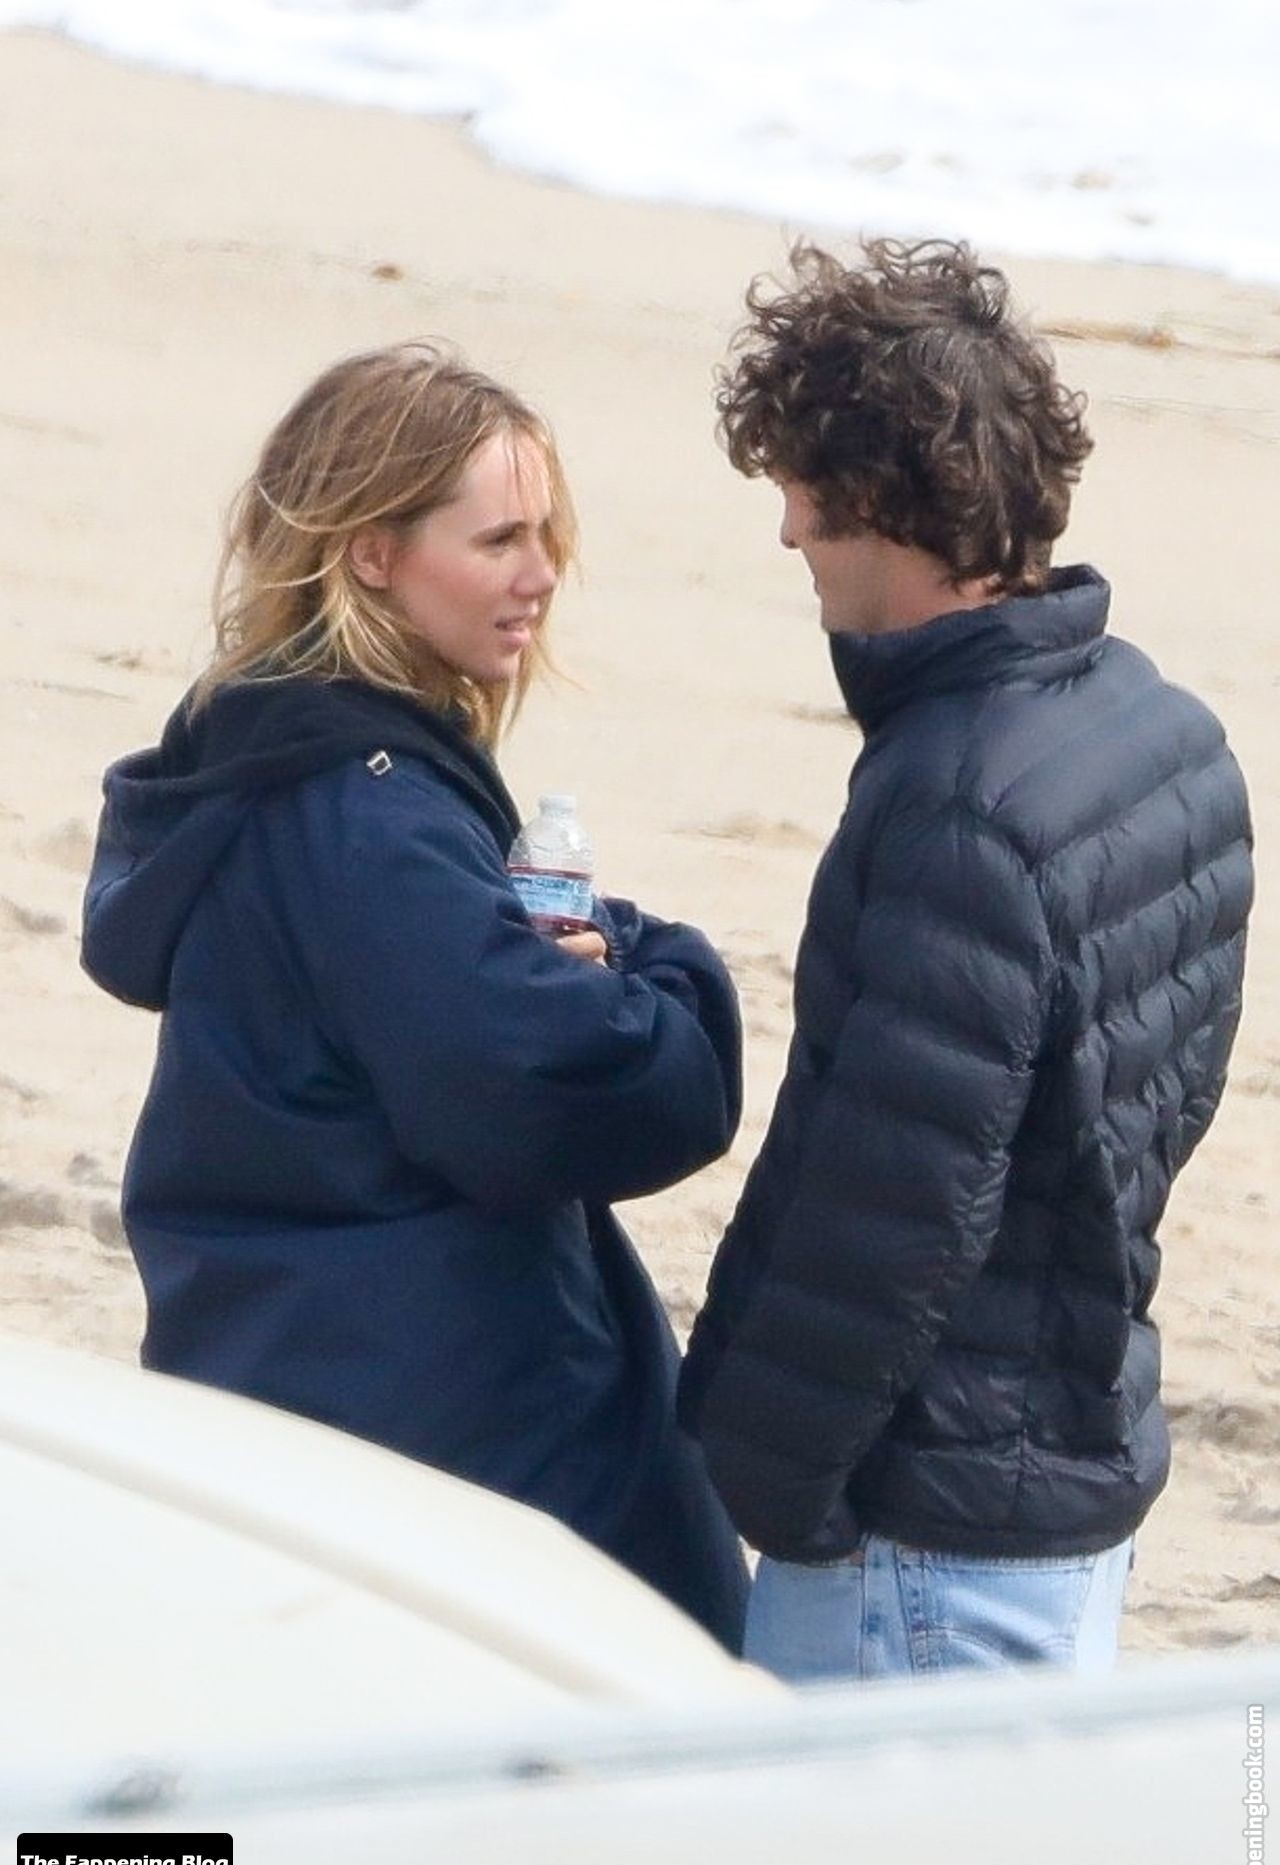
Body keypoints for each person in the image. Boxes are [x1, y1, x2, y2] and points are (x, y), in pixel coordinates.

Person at [82, 342, 747, 1650]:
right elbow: (552, 1093)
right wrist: (667, 971)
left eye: (546, 536)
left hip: (279, 1375)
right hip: (437, 1441)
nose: (541, 576)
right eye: (499, 540)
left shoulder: (264, 758)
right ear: (372, 554)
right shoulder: (369, 812)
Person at [678, 239, 1254, 1682]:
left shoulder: (958, 803)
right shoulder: (1164, 733)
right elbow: (1155, 1111)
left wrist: (780, 1494)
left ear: (878, 499)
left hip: (926, 1547)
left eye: (802, 490)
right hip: (1066, 1463)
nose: (787, 532)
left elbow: (892, 1210)